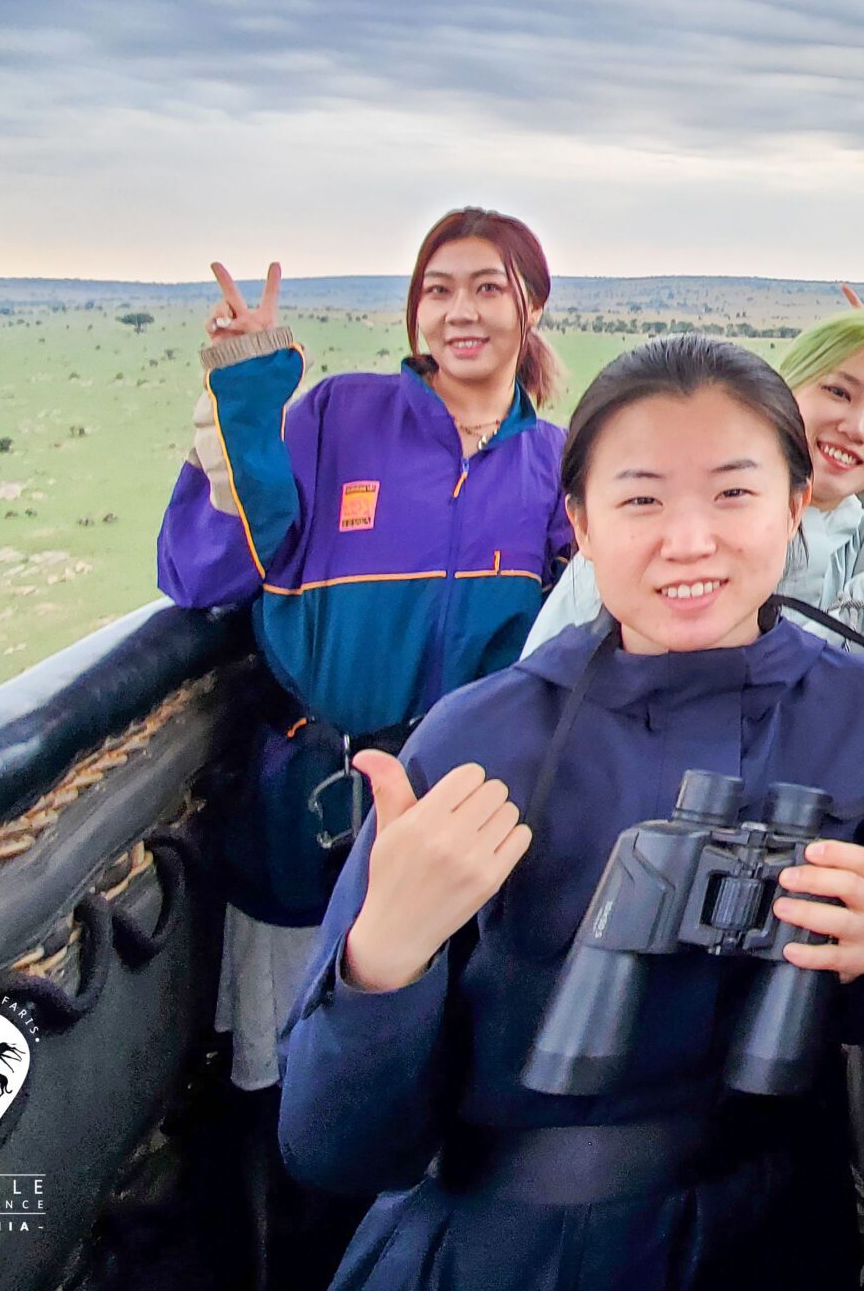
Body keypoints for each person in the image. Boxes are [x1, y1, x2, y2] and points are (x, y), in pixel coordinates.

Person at [277, 335, 864, 1289]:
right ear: (579, 522)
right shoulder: (481, 744)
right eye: (641, 499)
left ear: (797, 503)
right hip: (517, 1248)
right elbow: (332, 1151)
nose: (690, 539)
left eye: (735, 493)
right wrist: (384, 956)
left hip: (777, 1236)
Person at [156, 210, 573, 1099]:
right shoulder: (341, 415)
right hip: (307, 793)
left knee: (414, 1050)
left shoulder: (553, 464)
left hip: (458, 807)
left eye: (489, 288)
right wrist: (245, 401)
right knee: (286, 1061)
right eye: (438, 289)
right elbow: (207, 572)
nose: (461, 311)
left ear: (530, 307)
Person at [527, 310, 864, 654]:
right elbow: (541, 677)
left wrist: (856, 613)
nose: (858, 427)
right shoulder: (653, 527)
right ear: (782, 390)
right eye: (837, 391)